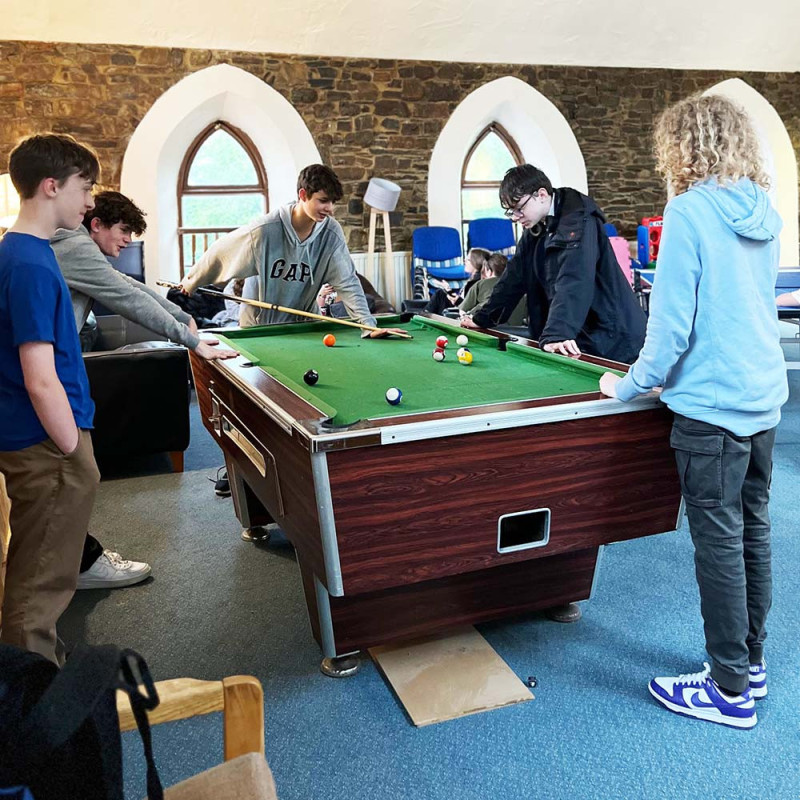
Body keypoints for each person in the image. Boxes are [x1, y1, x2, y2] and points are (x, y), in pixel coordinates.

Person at [599, 94, 787, 729]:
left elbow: (670, 329)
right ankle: (749, 664)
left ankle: (728, 688)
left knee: (718, 544)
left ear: (682, 146)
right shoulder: (763, 209)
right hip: (761, 401)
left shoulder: (688, 211)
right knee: (751, 532)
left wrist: (625, 386)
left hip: (711, 410)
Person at [180, 164, 405, 497]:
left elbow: (346, 280)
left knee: (303, 403)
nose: (328, 210)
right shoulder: (266, 230)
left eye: (332, 203)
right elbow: (222, 251)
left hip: (303, 328)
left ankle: (301, 473)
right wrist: (192, 280)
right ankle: (240, 468)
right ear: (303, 195)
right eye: (323, 201)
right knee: (255, 408)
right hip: (259, 330)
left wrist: (366, 324)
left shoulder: (330, 233)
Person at [50, 190, 237, 590]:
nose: (126, 241)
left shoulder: (81, 248)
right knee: (76, 475)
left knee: (74, 476)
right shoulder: (76, 247)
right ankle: (76, 566)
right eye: (122, 231)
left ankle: (78, 560)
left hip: (58, 373)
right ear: (95, 224)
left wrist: (183, 316)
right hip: (46, 378)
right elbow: (125, 299)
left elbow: (131, 287)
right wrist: (190, 341)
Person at [0, 133, 101, 664]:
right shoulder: (32, 265)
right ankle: (27, 696)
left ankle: (34, 667)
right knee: (42, 575)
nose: (89, 201)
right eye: (85, 187)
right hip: (46, 442)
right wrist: (70, 448)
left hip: (32, 436)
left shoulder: (18, 251)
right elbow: (39, 376)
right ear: (50, 185)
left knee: (40, 562)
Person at [461, 164, 647, 363]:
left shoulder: (578, 221)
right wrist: (482, 318)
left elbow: (574, 280)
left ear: (541, 195)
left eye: (519, 209)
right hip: (582, 332)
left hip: (614, 335)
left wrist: (556, 333)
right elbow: (513, 278)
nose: (515, 217)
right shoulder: (537, 226)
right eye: (510, 212)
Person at [459, 252, 526, 325]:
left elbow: (462, 311)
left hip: (485, 329)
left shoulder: (480, 284)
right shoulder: (520, 287)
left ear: (489, 271)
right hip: (517, 333)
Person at [424, 247, 489, 315]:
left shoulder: (475, 283)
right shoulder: (475, 279)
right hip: (456, 309)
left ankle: (423, 317)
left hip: (457, 314)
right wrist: (449, 290)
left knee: (440, 295)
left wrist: (457, 301)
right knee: (441, 294)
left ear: (476, 262)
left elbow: (469, 308)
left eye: (468, 259)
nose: (464, 261)